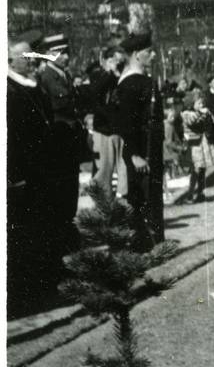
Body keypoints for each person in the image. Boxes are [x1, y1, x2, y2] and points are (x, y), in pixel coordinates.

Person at [7, 31, 60, 314]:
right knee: (23, 236)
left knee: (42, 230)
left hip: (43, 171)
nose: (31, 62)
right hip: (23, 174)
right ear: (10, 59)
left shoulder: (34, 86)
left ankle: (43, 287)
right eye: (25, 57)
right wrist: (15, 175)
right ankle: (26, 294)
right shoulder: (9, 90)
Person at [37, 32, 88, 255]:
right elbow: (61, 108)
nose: (66, 57)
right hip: (60, 144)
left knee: (71, 192)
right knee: (63, 195)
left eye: (67, 52)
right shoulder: (48, 77)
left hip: (70, 142)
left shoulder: (63, 75)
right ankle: (64, 242)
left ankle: (68, 238)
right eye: (61, 53)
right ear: (48, 55)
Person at [116, 32, 164, 249]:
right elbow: (127, 124)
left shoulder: (146, 80)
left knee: (153, 197)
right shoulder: (130, 83)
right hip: (139, 151)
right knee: (140, 200)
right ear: (136, 55)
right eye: (148, 52)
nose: (153, 55)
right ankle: (143, 247)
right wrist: (135, 154)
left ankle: (155, 245)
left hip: (151, 148)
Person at [88, 46, 130, 197]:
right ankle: (102, 204)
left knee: (124, 166)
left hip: (119, 128)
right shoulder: (97, 73)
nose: (118, 63)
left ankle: (122, 199)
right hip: (104, 129)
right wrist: (111, 73)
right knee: (105, 169)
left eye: (121, 61)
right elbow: (95, 93)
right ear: (106, 60)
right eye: (115, 60)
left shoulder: (122, 75)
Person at [180, 90, 214, 203]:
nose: (201, 105)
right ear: (192, 103)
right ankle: (190, 194)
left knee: (202, 169)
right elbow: (192, 121)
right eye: (199, 103)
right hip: (193, 145)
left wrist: (209, 116)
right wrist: (201, 113)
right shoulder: (186, 113)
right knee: (195, 169)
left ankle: (201, 193)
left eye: (202, 103)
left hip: (202, 143)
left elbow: (213, 123)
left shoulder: (202, 113)